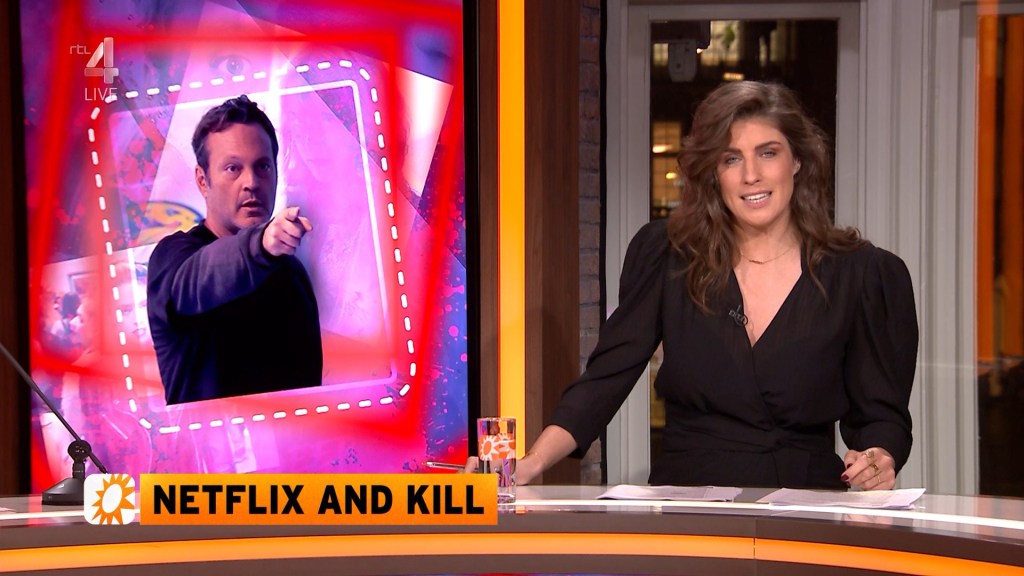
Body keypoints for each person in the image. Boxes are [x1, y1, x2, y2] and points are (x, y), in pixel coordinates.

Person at [507, 81, 919, 491]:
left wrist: (878, 457)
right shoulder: (669, 256)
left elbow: (881, 417)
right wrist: (531, 464)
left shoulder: (861, 274)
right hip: (690, 503)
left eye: (768, 153)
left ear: (797, 160)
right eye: (731, 159)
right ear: (713, 173)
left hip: (804, 504)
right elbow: (605, 379)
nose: (751, 175)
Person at [147, 95, 323, 405]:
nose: (251, 182)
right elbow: (197, 281)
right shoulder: (173, 258)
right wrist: (260, 246)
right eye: (233, 168)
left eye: (263, 166)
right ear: (203, 181)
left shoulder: (291, 273)